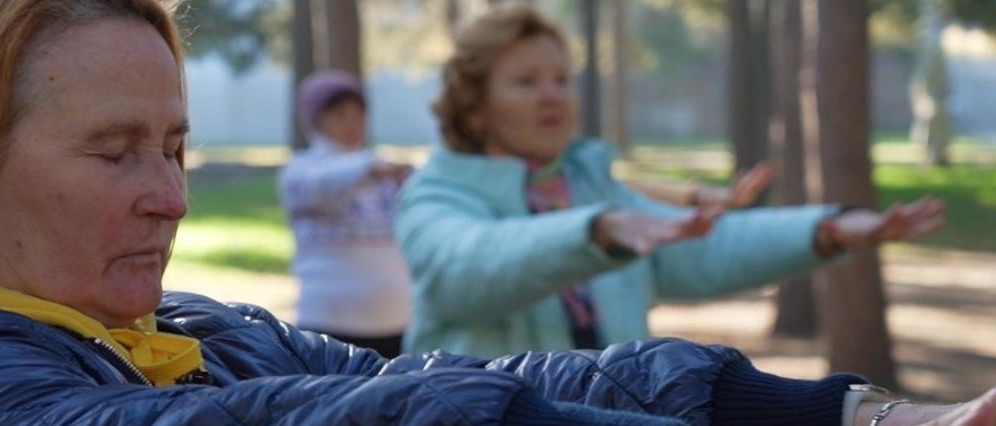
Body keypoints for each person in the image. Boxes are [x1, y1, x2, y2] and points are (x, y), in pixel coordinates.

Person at [0, 1, 996, 426]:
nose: (169, 195)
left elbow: (387, 392)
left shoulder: (189, 335)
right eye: (116, 153)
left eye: (174, 145)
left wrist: (842, 411)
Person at [397, 5, 946, 357]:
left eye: (561, 79)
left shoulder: (589, 187)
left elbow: (702, 246)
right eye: (526, 81)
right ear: (473, 107)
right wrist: (597, 231)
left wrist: (827, 230)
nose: (553, 95)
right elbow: (464, 272)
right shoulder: (437, 194)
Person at [278, 69, 412, 358]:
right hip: (328, 324)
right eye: (339, 114)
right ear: (316, 119)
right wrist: (370, 167)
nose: (352, 123)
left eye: (358, 114)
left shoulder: (385, 173)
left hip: (397, 322)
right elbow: (321, 185)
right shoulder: (301, 170)